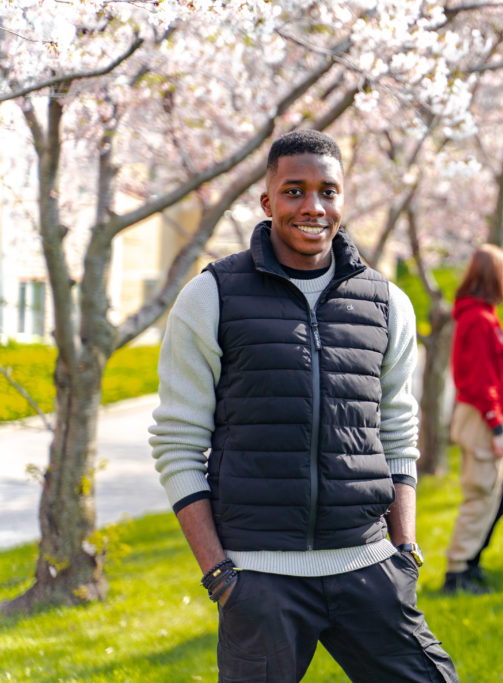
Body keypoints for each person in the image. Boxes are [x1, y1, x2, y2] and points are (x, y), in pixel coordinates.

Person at [149, 130, 457, 682]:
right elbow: (177, 443)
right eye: (294, 191)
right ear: (268, 203)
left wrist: (404, 548)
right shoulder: (211, 297)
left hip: (368, 566)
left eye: (327, 191)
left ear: (342, 200)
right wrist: (219, 573)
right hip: (259, 581)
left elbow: (398, 432)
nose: (312, 207)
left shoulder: (387, 302)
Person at [443, 245, 503, 595]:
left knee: (489, 495)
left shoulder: (482, 315)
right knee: (479, 494)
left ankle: (469, 564)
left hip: (485, 414)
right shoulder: (477, 319)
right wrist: (497, 425)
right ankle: (456, 572)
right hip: (480, 416)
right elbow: (480, 379)